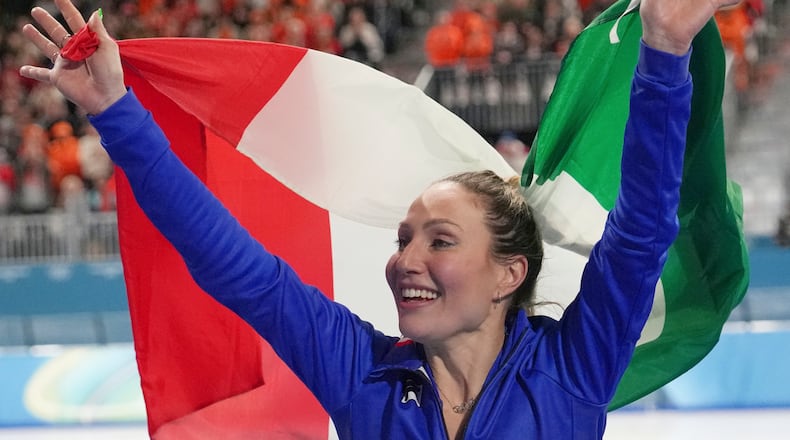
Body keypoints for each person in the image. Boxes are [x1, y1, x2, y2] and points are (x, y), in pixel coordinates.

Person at [20, 0, 737, 438]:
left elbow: (641, 230)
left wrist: (665, 53)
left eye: (440, 240)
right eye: (403, 239)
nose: (404, 261)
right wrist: (116, 113)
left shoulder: (574, 365)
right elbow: (233, 264)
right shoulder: (360, 371)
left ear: (508, 274)